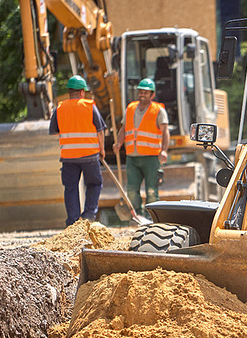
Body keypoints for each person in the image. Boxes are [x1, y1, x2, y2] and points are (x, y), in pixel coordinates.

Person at [49, 75, 106, 227]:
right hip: (90, 156)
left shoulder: (60, 108)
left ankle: (73, 222)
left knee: (71, 188)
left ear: (69, 91)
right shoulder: (90, 106)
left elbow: (54, 131)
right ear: (82, 92)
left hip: (69, 157)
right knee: (94, 184)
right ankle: (88, 216)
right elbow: (100, 130)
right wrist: (102, 149)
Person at [113, 78, 169, 216]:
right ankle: (137, 216)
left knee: (151, 191)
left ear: (152, 95)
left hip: (151, 158)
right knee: (132, 191)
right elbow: (123, 129)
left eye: (146, 92)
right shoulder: (130, 108)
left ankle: (152, 217)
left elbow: (165, 132)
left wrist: (164, 151)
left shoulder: (158, 111)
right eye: (141, 92)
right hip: (132, 157)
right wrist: (118, 143)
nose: (142, 95)